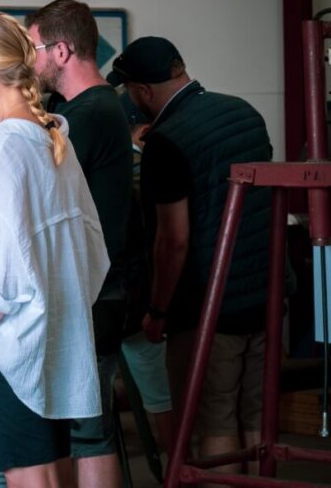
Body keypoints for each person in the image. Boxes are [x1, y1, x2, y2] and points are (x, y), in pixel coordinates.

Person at [0, 12, 110, 487]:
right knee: (54, 475)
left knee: (29, 480)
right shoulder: (53, 139)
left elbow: (2, 278)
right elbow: (92, 253)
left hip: (4, 348)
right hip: (55, 339)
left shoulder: (3, 146)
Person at [107, 36, 271, 475]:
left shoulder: (167, 139)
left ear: (141, 91)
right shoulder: (245, 113)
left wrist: (158, 310)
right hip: (267, 297)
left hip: (209, 307)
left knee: (212, 422)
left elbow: (173, 240)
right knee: (257, 420)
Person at [26, 0, 132, 487]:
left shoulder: (85, 117)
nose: (29, 63)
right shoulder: (94, 108)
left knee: (88, 431)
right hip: (98, 291)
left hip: (92, 294)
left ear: (62, 50)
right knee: (85, 426)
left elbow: (35, 187)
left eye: (34, 50)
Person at [118, 93, 175, 455]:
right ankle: (177, 468)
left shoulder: (108, 166)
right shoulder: (149, 166)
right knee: (163, 396)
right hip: (148, 296)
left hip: (120, 297)